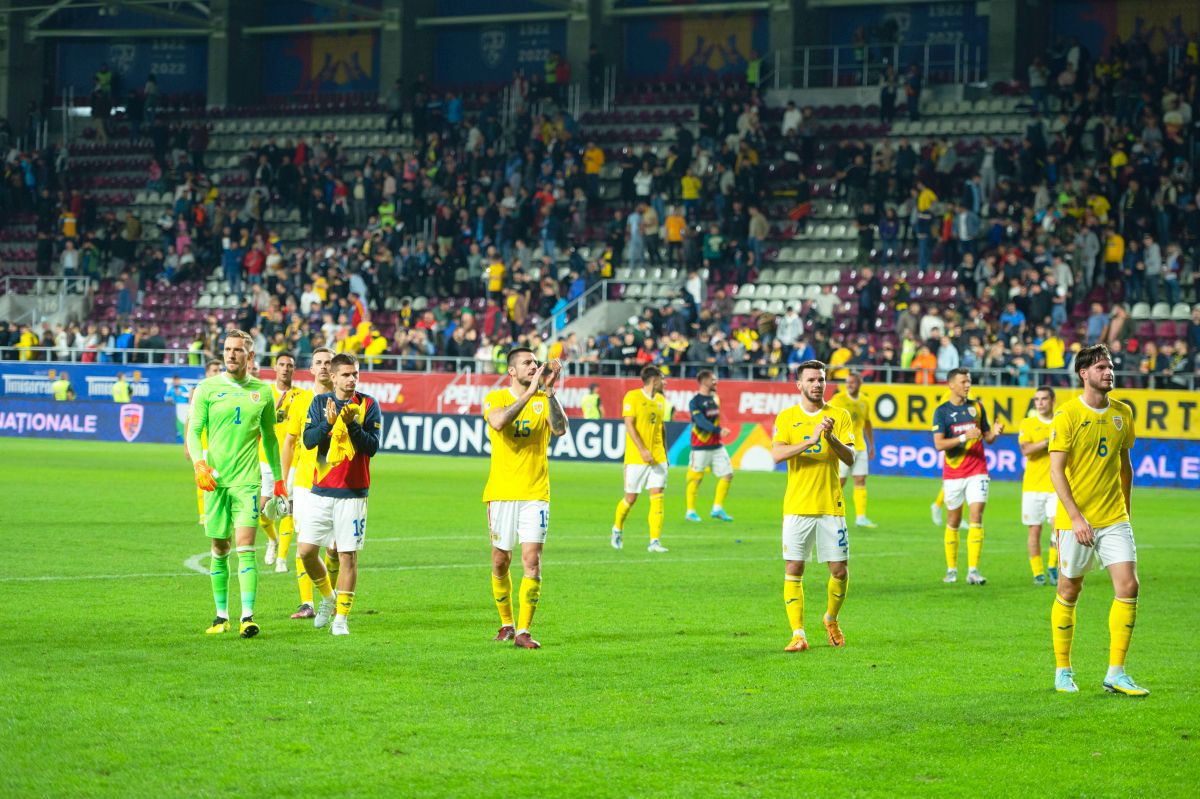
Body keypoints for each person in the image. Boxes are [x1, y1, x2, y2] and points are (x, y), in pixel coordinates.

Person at [1048, 344, 1146, 696]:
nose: (1109, 372)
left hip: (1113, 517)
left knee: (1129, 586)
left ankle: (1116, 673)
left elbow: (1125, 466)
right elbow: (1056, 471)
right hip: (1075, 521)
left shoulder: (1123, 413)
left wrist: (1126, 511)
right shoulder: (1068, 415)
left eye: (1111, 366)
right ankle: (1063, 670)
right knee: (1069, 590)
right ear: (1084, 374)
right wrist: (1075, 518)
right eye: (1102, 367)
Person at [186, 331, 286, 638]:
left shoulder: (263, 392)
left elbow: (269, 438)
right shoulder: (207, 388)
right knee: (219, 547)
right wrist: (199, 463)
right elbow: (194, 430)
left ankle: (247, 616)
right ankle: (220, 616)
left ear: (250, 356)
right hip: (215, 482)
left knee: (245, 547)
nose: (230, 355)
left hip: (247, 482)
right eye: (227, 349)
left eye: (238, 350)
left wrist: (279, 480)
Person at [482, 349, 567, 649]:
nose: (534, 366)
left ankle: (524, 631)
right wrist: (530, 393)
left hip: (535, 493)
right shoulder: (496, 398)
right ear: (511, 372)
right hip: (502, 493)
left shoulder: (544, 401)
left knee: (532, 561)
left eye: (535, 362)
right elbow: (498, 423)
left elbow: (561, 429)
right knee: (500, 560)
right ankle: (507, 623)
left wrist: (550, 392)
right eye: (527, 363)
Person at [770, 360, 855, 652]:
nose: (817, 384)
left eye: (821, 379)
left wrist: (829, 438)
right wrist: (811, 440)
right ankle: (798, 634)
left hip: (831, 504)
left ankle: (831, 619)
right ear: (799, 385)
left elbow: (850, 458)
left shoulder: (840, 416)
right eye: (811, 380)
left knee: (839, 570)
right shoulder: (787, 417)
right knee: (794, 567)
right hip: (797, 505)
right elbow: (777, 454)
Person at [298, 353, 382, 637]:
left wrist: (353, 425)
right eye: (345, 374)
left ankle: (341, 619)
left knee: (348, 557)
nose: (351, 379)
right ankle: (327, 597)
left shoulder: (368, 404)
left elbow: (371, 447)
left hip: (353, 492)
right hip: (321, 489)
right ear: (332, 377)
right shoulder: (321, 403)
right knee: (306, 551)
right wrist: (330, 423)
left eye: (355, 374)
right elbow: (309, 441)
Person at [931, 368, 1004, 585]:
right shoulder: (942, 411)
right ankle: (951, 569)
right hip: (953, 472)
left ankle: (973, 570)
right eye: (963, 381)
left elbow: (987, 437)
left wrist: (995, 433)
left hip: (977, 470)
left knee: (976, 516)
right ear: (951, 384)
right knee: (953, 520)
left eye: (969, 381)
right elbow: (938, 444)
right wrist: (963, 437)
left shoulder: (977, 407)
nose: (967, 385)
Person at [281, 348, 331, 618]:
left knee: (335, 548)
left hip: (337, 484)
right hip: (304, 483)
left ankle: (331, 600)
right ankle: (308, 603)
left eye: (328, 363)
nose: (324, 367)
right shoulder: (300, 401)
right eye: (319, 363)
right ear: (311, 369)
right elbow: (289, 442)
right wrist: (283, 479)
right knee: (306, 544)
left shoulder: (347, 399)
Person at [612, 365, 669, 553]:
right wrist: (643, 450)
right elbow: (629, 425)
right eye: (662, 378)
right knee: (631, 498)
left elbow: (661, 428)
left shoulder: (661, 400)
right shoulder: (632, 396)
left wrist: (665, 454)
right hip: (637, 457)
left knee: (657, 496)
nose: (664, 382)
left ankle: (654, 541)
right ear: (654, 380)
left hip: (658, 456)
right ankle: (617, 528)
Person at [259, 352, 306, 572]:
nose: (286, 368)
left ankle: (281, 559)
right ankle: (272, 539)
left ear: (294, 370)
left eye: (290, 365)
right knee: (261, 510)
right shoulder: (265, 393)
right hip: (265, 458)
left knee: (287, 507)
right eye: (282, 364)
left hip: (292, 459)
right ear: (275, 368)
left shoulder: (302, 396)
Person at [1017, 386, 1059, 586]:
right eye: (1036, 400)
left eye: (1043, 399)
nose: (1040, 403)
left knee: (1057, 527)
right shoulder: (1028, 423)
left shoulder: (1060, 423)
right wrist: (1046, 442)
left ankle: (1053, 565)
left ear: (1052, 401)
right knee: (1034, 531)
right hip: (1032, 486)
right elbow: (1026, 450)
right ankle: (1038, 573)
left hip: (1056, 486)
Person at [827, 370, 876, 528]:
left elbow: (867, 423)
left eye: (852, 382)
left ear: (860, 384)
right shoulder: (838, 399)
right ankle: (829, 512)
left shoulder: (865, 400)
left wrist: (872, 445)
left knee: (860, 480)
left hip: (860, 446)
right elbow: (825, 416)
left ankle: (861, 517)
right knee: (840, 482)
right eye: (847, 382)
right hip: (843, 447)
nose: (849, 385)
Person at [685, 370, 734, 523]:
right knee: (696, 479)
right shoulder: (695, 401)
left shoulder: (715, 399)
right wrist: (719, 430)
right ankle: (690, 511)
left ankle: (717, 508)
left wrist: (718, 432)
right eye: (713, 380)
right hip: (700, 446)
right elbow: (700, 422)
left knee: (727, 474)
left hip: (716, 445)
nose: (715, 382)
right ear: (704, 381)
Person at [184, 360, 223, 526]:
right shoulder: (198, 391)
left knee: (220, 480)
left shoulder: (224, 390)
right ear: (207, 373)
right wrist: (187, 445)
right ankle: (203, 515)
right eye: (214, 370)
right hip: (203, 444)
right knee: (203, 477)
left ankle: (216, 512)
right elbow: (190, 420)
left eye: (219, 370)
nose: (217, 372)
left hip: (220, 444)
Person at [164, 376, 188, 442]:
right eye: (175, 381)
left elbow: (189, 395)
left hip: (184, 407)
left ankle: (185, 436)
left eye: (178, 380)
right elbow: (165, 398)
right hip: (175, 408)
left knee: (185, 422)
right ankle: (178, 436)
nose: (176, 382)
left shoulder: (183, 388)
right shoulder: (171, 389)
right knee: (177, 422)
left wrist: (181, 393)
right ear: (173, 381)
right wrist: (170, 398)